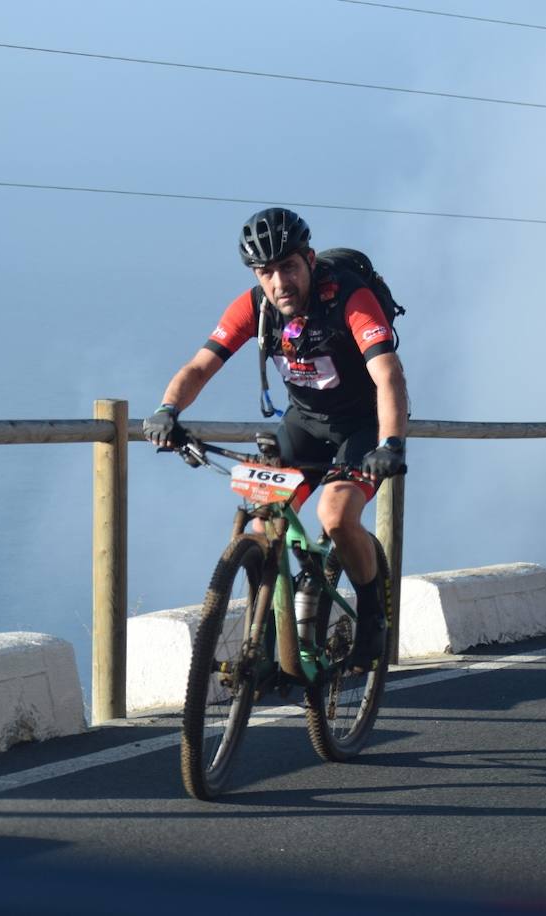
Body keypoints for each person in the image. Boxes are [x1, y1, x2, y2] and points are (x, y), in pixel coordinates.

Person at [143, 207, 408, 671]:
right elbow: (201, 365)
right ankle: (262, 649)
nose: (279, 281)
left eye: (288, 267)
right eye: (266, 271)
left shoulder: (350, 297)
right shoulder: (255, 307)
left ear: (308, 260)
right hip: (303, 424)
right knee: (260, 528)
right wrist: (168, 410)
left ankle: (372, 619)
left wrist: (390, 445)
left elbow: (387, 375)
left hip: (363, 426)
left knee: (336, 515)